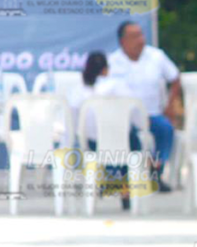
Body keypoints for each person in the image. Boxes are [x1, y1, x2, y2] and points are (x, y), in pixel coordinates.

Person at [108, 21, 181, 192]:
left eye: (141, 34)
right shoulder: (112, 62)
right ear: (123, 41)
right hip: (124, 118)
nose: (140, 40)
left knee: (166, 129)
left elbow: (175, 78)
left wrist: (170, 106)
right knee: (126, 137)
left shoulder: (157, 56)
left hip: (152, 114)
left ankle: (156, 171)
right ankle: (125, 178)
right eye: (134, 36)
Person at [68, 51, 141, 209]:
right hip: (122, 143)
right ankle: (124, 187)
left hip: (92, 144)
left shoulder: (78, 91)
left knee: (108, 147)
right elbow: (135, 110)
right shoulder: (117, 86)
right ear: (105, 70)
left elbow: (72, 119)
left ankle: (108, 179)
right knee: (131, 143)